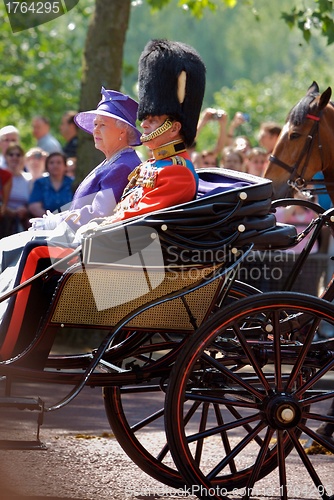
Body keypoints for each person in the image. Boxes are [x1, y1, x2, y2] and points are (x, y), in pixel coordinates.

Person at [0, 39, 206, 360]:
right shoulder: (155, 165)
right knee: (33, 248)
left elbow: (138, 219)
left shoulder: (176, 171)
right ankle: (21, 344)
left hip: (136, 266)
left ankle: (12, 345)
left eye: (152, 120)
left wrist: (96, 226)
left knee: (35, 250)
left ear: (174, 126)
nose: (145, 124)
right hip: (122, 251)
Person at [28, 152, 74, 217]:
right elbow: (34, 206)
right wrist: (50, 219)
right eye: (51, 163)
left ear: (65, 166)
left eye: (59, 162)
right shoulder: (40, 183)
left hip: (69, 221)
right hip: (45, 222)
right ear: (46, 166)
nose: (55, 165)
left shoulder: (72, 183)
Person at [2, 144, 30, 234]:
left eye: (18, 155)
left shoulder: (29, 179)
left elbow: (32, 201)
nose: (15, 157)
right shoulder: (2, 177)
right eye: (11, 154)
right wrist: (11, 211)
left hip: (23, 219)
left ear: (23, 158)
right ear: (5, 157)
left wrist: (24, 210)